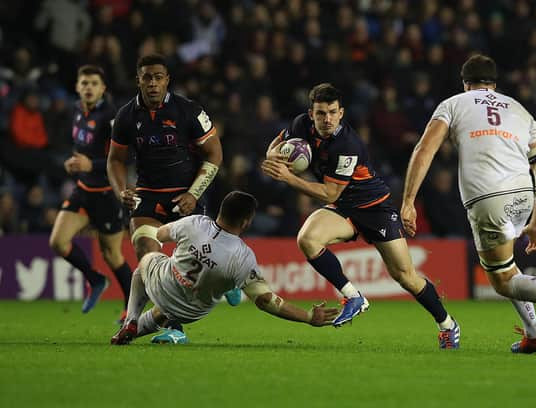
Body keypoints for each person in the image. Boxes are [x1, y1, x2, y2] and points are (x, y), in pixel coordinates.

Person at [400, 54, 536, 353]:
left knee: (502, 281)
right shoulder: (520, 110)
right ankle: (535, 337)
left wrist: (408, 201)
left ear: (465, 83)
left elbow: (424, 149)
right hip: (523, 196)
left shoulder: (453, 104)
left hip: (488, 198)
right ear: (494, 83)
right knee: (508, 268)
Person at [261, 83, 460, 349]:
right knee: (307, 239)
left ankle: (447, 324)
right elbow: (275, 145)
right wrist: (274, 156)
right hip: (344, 209)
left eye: (332, 112)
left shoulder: (347, 144)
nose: (327, 119)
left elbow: (330, 193)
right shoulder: (300, 125)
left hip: (374, 209)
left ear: (341, 113)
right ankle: (352, 296)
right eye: (321, 113)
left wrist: (287, 177)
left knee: (405, 276)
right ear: (311, 114)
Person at [106, 54, 235, 342]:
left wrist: (193, 193)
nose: (152, 83)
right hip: (148, 196)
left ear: (167, 80)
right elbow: (115, 160)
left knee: (190, 268)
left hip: (185, 197)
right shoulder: (125, 116)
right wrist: (121, 191)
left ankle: (229, 281)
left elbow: (214, 153)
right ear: (138, 80)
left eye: (158, 77)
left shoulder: (188, 110)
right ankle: (153, 324)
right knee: (146, 253)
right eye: (147, 77)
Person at [110, 191, 339, 345]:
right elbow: (266, 301)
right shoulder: (243, 256)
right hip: (192, 311)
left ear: (220, 211)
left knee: (147, 260)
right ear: (246, 222)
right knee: (167, 308)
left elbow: (160, 234)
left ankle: (130, 319)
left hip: (165, 284)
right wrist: (308, 316)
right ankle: (132, 332)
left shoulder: (195, 223)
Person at [49, 65, 132, 318]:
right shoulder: (77, 111)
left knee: (112, 255)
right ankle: (95, 279)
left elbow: (122, 156)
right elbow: (80, 147)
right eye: (84, 83)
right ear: (77, 87)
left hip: (107, 194)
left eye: (94, 83)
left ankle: (131, 307)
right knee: (58, 242)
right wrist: (75, 163)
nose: (88, 87)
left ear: (103, 88)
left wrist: (91, 165)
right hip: (83, 189)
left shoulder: (111, 116)